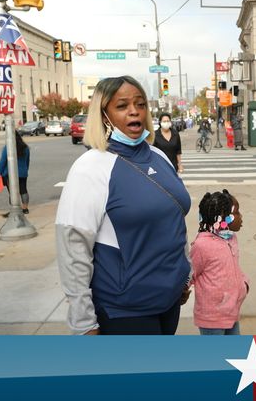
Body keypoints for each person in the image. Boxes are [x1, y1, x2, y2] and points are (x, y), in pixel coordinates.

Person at [56, 76, 191, 335]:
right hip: (126, 310)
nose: (134, 111)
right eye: (122, 106)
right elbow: (72, 246)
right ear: (103, 115)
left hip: (170, 300)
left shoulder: (159, 156)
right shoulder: (91, 167)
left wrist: (184, 273)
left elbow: (174, 219)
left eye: (140, 104)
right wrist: (83, 321)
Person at [190, 190, 248, 335]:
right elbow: (190, 272)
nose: (241, 216)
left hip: (231, 311)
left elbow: (233, 267)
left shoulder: (231, 238)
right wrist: (181, 291)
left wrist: (244, 283)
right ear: (223, 217)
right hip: (212, 318)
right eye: (237, 212)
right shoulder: (202, 245)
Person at [0, 131, 30, 215]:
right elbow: (27, 161)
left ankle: (14, 209)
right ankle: (25, 208)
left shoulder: (8, 147)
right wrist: (25, 170)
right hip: (23, 173)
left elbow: (2, 161)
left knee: (12, 192)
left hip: (10, 174)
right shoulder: (25, 147)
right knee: (23, 190)